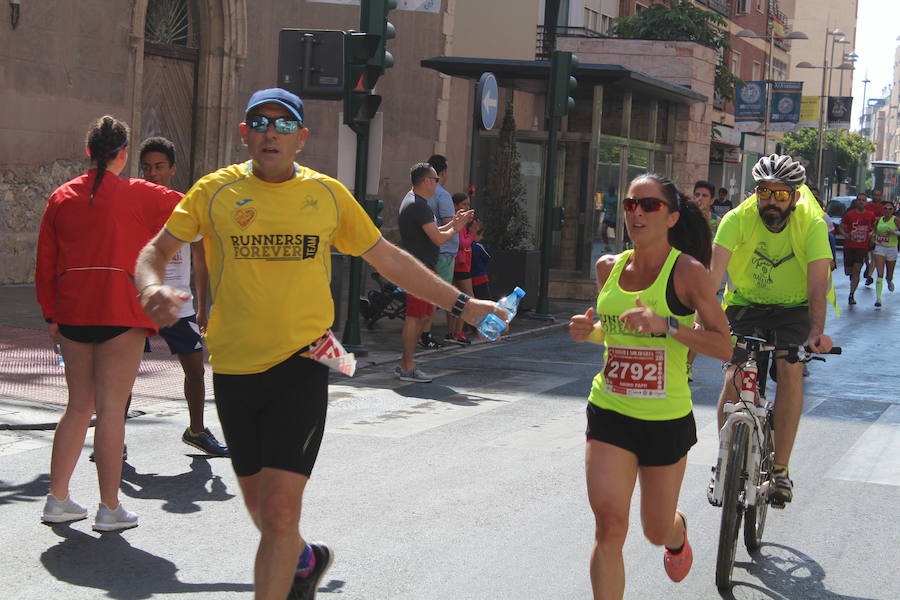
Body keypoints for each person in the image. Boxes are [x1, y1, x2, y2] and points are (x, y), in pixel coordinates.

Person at [135, 89, 498, 600]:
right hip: (236, 370)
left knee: (281, 512)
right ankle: (303, 561)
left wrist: (461, 304)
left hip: (300, 365)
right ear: (244, 133)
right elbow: (155, 251)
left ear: (302, 138)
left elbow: (389, 259)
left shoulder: (326, 195)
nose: (270, 132)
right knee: (263, 514)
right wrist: (150, 286)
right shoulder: (214, 192)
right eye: (260, 122)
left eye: (284, 125)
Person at [569, 173, 732, 599]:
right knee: (609, 526)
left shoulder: (689, 273)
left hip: (665, 420)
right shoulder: (609, 266)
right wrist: (589, 330)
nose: (637, 213)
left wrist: (670, 326)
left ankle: (676, 534)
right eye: (629, 205)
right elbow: (614, 331)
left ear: (672, 216)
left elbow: (723, 345)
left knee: (655, 529)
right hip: (609, 412)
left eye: (649, 205)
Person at [36, 116, 181, 531]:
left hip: (73, 312)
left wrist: (50, 314)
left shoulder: (61, 197)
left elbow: (45, 263)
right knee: (112, 411)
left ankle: (57, 498)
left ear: (88, 151)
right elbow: (192, 207)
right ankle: (109, 506)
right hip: (120, 311)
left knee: (78, 406)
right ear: (122, 154)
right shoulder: (141, 193)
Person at [710, 154, 834, 508]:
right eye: (766, 193)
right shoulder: (736, 219)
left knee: (790, 368)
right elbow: (713, 276)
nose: (772, 202)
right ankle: (724, 460)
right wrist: (704, 318)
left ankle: (780, 469)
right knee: (734, 374)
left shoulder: (811, 224)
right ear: (756, 192)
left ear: (795, 196)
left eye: (781, 195)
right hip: (745, 305)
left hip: (794, 308)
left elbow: (816, 286)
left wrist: (815, 331)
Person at [138, 137, 228, 457]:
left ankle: (197, 430)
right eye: (147, 167)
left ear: (172, 168)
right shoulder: (133, 203)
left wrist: (203, 307)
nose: (153, 173)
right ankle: (113, 438)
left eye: (159, 166)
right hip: (141, 302)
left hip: (180, 303)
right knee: (120, 371)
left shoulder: (186, 205)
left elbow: (201, 260)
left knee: (195, 370)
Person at [397, 163, 474, 381]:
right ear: (426, 181)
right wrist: (457, 228)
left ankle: (406, 363)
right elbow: (438, 238)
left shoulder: (415, 202)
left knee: (423, 315)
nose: (437, 183)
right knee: (415, 317)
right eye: (435, 179)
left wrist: (455, 224)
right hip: (418, 269)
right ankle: (407, 366)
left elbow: (433, 231)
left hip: (421, 268)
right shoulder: (418, 205)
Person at [419, 154, 455, 350]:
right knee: (435, 297)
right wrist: (460, 223)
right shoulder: (443, 195)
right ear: (442, 173)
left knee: (427, 296)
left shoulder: (419, 195)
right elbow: (450, 223)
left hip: (427, 251)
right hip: (443, 251)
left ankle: (422, 332)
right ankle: (425, 334)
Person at [448, 192, 476, 345]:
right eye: (464, 204)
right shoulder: (459, 221)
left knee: (458, 299)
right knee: (467, 298)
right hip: (460, 265)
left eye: (468, 204)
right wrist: (472, 235)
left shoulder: (462, 221)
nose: (467, 207)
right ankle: (457, 332)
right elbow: (463, 243)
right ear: (457, 205)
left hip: (462, 264)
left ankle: (454, 331)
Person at [841, 195, 877, 305]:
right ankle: (852, 277)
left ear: (866, 203)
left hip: (862, 247)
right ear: (856, 202)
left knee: (857, 269)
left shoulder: (870, 215)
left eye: (864, 200)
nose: (861, 202)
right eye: (859, 200)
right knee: (849, 271)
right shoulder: (849, 214)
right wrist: (845, 234)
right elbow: (841, 227)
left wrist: (872, 235)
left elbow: (874, 228)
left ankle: (851, 294)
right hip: (849, 246)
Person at [872, 201, 900, 307]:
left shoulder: (896, 220)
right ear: (882, 210)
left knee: (889, 275)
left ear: (893, 210)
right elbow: (874, 231)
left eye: (890, 209)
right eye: (885, 208)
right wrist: (873, 237)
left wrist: (894, 232)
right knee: (880, 274)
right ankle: (878, 298)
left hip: (892, 249)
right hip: (880, 248)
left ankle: (889, 280)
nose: (887, 211)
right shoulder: (879, 220)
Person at [470, 219, 492, 301]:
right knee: (485, 298)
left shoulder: (468, 246)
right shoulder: (478, 246)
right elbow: (487, 258)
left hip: (471, 277)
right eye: (481, 235)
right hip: (481, 277)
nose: (482, 237)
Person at [600, 185, 618, 251]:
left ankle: (618, 246)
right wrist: (603, 210)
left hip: (615, 218)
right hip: (607, 217)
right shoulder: (605, 197)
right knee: (603, 230)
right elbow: (603, 205)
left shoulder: (617, 197)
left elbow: (618, 207)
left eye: (612, 191)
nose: (611, 192)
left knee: (617, 233)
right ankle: (606, 245)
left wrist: (614, 204)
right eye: (610, 191)